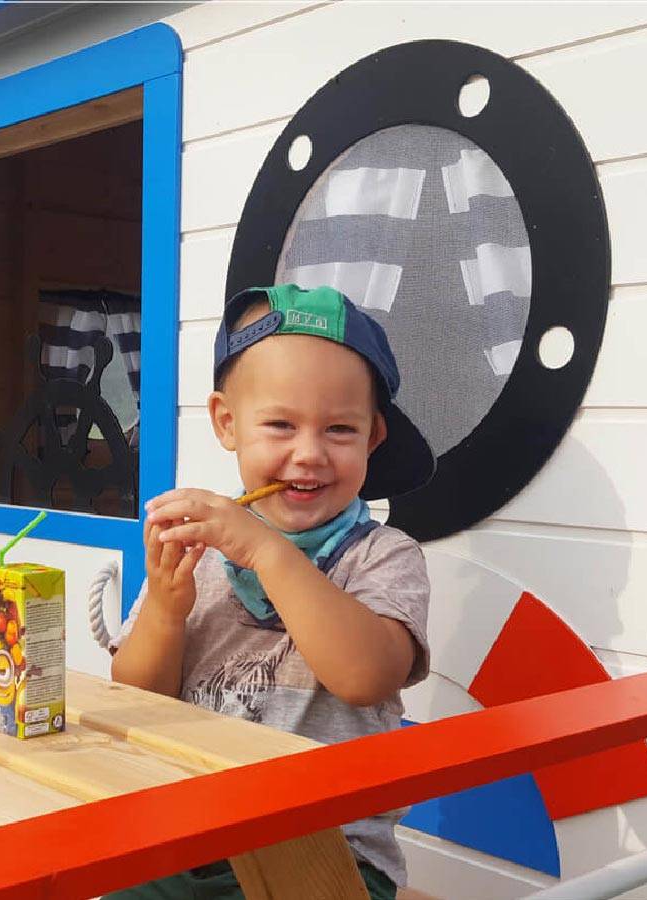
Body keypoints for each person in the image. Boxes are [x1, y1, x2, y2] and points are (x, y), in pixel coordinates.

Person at [108, 284, 437, 900]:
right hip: (186, 840)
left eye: (340, 429)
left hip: (328, 856)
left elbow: (368, 676)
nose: (308, 454)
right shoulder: (199, 552)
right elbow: (136, 699)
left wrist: (263, 550)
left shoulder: (381, 557)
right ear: (227, 423)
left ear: (373, 439)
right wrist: (165, 612)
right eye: (281, 425)